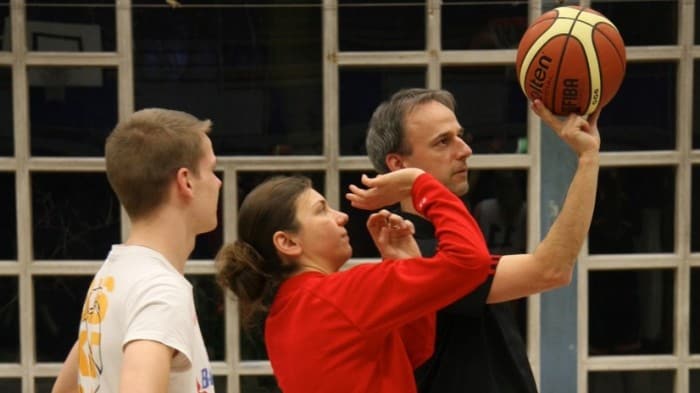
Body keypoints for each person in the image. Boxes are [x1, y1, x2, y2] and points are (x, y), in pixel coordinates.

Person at [365, 88, 600, 393]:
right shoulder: (416, 256)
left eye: (460, 136)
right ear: (398, 165)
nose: (464, 150)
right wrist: (587, 160)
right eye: (443, 141)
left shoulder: (446, 239)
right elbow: (551, 270)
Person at [215, 168, 496, 393]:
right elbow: (470, 260)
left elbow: (411, 353)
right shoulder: (337, 296)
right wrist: (419, 183)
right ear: (287, 242)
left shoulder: (283, 315)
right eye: (321, 210)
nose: (341, 217)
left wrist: (405, 263)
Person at [51, 108, 221, 393]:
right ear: (186, 181)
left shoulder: (114, 275)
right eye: (212, 170)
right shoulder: (160, 291)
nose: (218, 182)